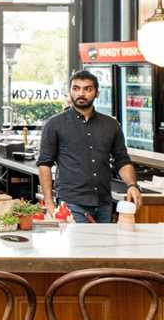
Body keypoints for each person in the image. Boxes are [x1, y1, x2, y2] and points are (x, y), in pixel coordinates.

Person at [37, 69, 142, 223]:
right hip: (72, 203)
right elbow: (44, 164)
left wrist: (132, 185)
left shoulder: (111, 125)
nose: (81, 93)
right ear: (70, 92)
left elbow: (122, 160)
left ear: (97, 93)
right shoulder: (54, 124)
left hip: (104, 202)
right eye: (76, 88)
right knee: (79, 247)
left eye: (88, 89)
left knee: (103, 247)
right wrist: (49, 202)